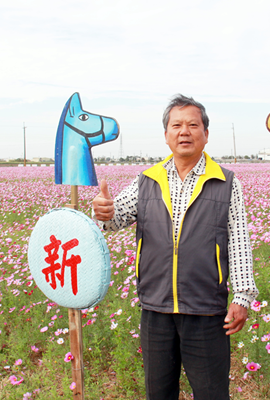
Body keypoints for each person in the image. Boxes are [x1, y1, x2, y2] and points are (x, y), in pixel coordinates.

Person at [92, 94, 258, 400]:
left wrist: (243, 295)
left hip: (207, 311)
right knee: (159, 392)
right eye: (177, 125)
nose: (185, 131)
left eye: (193, 125)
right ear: (166, 135)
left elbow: (238, 242)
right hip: (156, 309)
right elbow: (116, 217)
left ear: (205, 134)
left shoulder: (225, 183)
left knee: (212, 393)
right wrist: (104, 211)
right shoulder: (147, 181)